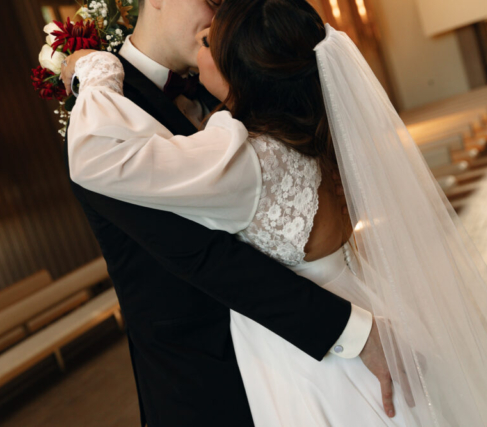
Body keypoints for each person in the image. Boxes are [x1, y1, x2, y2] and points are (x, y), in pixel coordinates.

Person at [63, 0, 487, 426]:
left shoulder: (241, 150)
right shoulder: (301, 131)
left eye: (216, 41)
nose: (211, 30)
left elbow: (102, 159)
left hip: (307, 353)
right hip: (232, 362)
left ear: (245, 70)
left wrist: (90, 67)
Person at [59, 1, 393, 426]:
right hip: (200, 387)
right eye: (211, 1)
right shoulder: (105, 116)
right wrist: (353, 332)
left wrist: (92, 67)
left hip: (299, 358)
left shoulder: (228, 80)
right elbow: (201, 257)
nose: (219, 17)